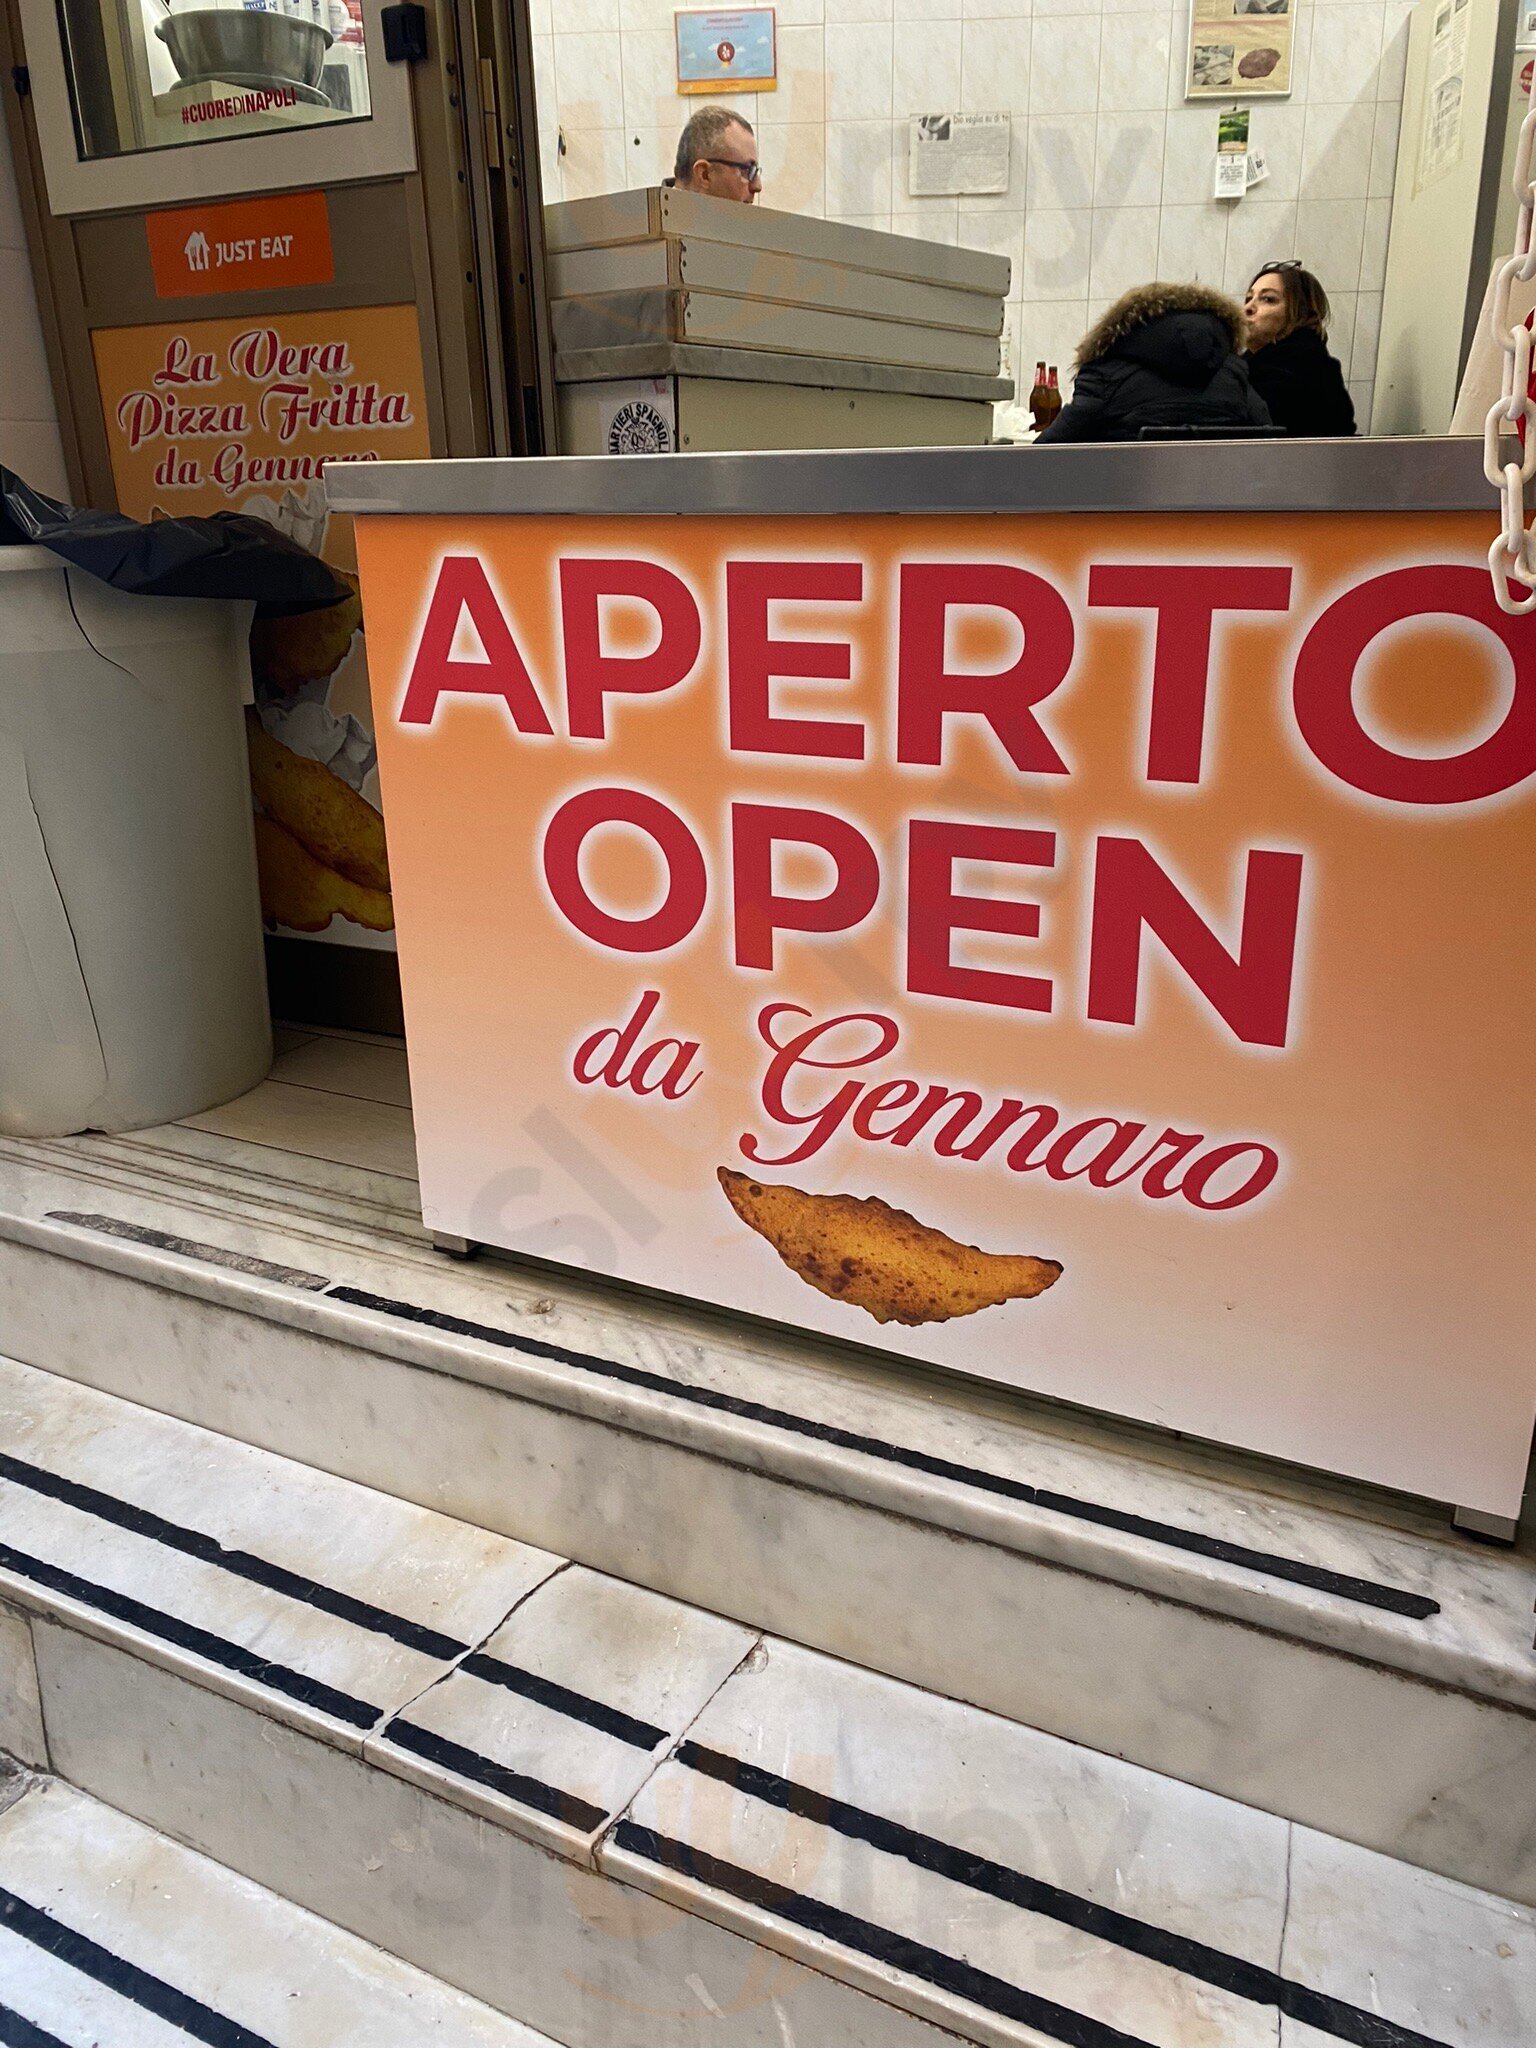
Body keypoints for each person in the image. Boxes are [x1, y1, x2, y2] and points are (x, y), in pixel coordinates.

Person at [1036, 282, 1271, 443]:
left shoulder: (1105, 372)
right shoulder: (1233, 370)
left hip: (1124, 506)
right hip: (1222, 507)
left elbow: (1051, 449)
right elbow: (1268, 439)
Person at [1242, 263, 1356, 437]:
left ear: (1299, 313)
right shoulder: (1249, 366)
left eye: (1268, 299)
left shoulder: (1303, 370)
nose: (1248, 308)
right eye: (1248, 298)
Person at [667, 107, 761, 203]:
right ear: (705, 174)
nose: (757, 186)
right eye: (747, 170)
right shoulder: (656, 216)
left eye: (754, 170)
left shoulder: (731, 216)